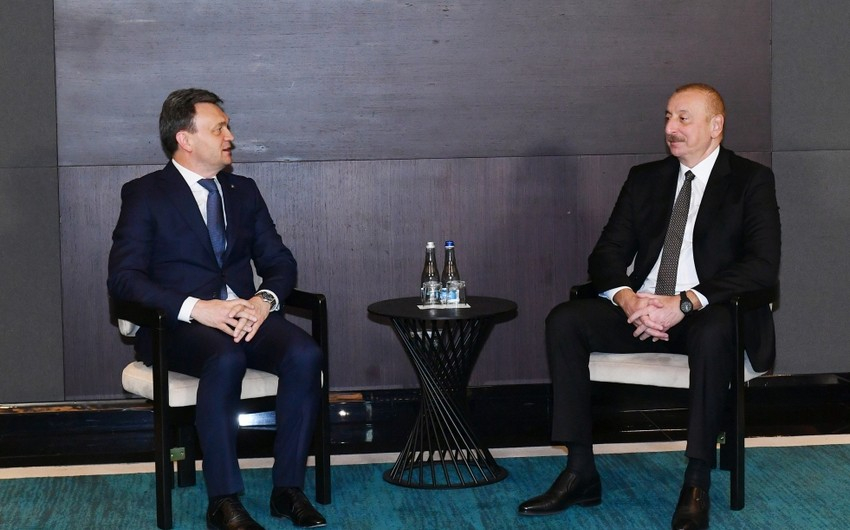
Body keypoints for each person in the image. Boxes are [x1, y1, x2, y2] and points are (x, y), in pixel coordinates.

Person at [518, 83, 780, 530]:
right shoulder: (645, 179)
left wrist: (685, 302)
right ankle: (580, 471)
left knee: (715, 328)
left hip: (705, 312)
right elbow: (606, 254)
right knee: (565, 320)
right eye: (667, 118)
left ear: (716, 125)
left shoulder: (750, 180)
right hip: (641, 309)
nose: (670, 128)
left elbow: (762, 266)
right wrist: (628, 301)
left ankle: (696, 480)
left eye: (683, 118)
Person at [108, 88, 327, 530]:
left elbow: (279, 262)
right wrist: (196, 309)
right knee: (224, 358)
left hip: (244, 316)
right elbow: (124, 279)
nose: (230, 137)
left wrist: (263, 302)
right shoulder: (145, 194)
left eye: (227, 127)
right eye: (219, 128)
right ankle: (223, 500)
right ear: (185, 139)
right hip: (178, 326)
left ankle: (288, 489)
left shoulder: (243, 191)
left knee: (305, 353)